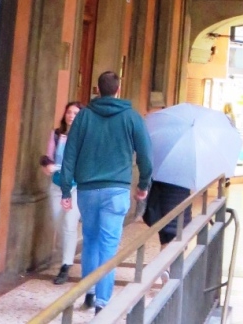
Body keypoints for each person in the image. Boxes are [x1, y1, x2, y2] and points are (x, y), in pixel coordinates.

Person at [60, 71, 152, 314]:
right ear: (118, 89)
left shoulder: (83, 117)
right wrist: (143, 185)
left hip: (88, 191)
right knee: (108, 245)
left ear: (98, 90)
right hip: (116, 190)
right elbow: (146, 156)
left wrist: (66, 189)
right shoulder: (132, 117)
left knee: (90, 240)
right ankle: (102, 304)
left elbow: (70, 153)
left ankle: (89, 293)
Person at [41, 101, 82, 284]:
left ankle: (66, 265)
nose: (71, 116)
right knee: (59, 224)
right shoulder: (57, 134)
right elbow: (48, 156)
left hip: (76, 187)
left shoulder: (84, 136)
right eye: (69, 112)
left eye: (75, 113)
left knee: (69, 224)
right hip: (57, 185)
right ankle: (66, 253)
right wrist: (47, 165)